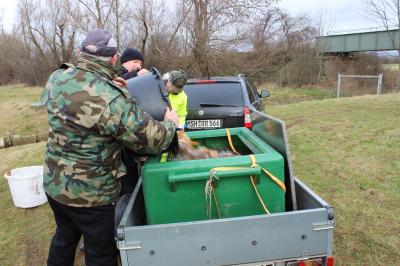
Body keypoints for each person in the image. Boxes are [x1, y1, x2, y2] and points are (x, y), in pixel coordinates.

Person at [41, 29, 178, 266]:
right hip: (91, 195)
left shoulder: (57, 77)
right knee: (100, 253)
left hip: (55, 184)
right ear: (114, 58)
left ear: (80, 52)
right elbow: (151, 140)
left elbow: (79, 101)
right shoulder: (109, 97)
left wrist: (108, 83)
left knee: (64, 238)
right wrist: (170, 124)